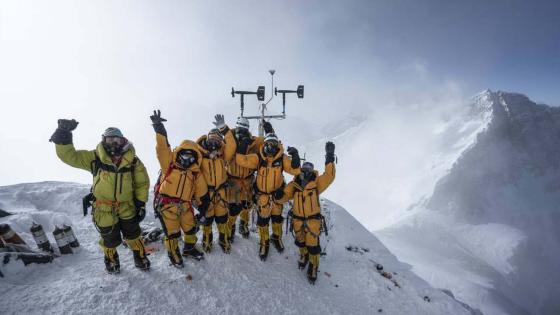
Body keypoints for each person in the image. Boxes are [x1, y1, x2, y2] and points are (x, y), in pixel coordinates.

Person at [50, 119, 150, 273]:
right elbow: (70, 156)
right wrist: (64, 133)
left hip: (127, 206)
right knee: (109, 239)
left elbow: (142, 183)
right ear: (104, 140)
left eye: (117, 139)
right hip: (103, 208)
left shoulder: (133, 161)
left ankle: (140, 257)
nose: (113, 142)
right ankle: (111, 260)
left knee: (134, 234)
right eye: (110, 139)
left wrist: (140, 203)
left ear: (123, 141)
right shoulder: (95, 158)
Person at [150, 110, 209, 267]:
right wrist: (159, 127)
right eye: (185, 155)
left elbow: (202, 193)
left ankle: (189, 248)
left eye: (192, 157)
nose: (188, 159)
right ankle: (173, 252)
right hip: (167, 205)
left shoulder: (195, 174)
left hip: (185, 206)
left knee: (190, 229)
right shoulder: (169, 164)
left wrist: (203, 210)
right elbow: (163, 148)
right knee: (173, 233)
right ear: (179, 153)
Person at [234, 121, 301, 260]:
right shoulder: (258, 158)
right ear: (264, 144)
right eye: (268, 144)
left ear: (278, 146)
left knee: (277, 219)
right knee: (262, 221)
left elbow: (295, 170)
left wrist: (295, 157)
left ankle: (276, 238)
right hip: (262, 196)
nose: (271, 147)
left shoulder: (281, 159)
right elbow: (241, 160)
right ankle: (264, 243)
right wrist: (243, 146)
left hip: (277, 196)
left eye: (274, 145)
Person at [276, 142, 336, 284]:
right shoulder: (294, 184)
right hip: (297, 219)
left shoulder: (316, 184)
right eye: (304, 168)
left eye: (309, 168)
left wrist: (329, 157)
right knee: (301, 242)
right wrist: (279, 195)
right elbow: (285, 196)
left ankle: (313, 266)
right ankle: (304, 257)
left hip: (312, 221)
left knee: (313, 246)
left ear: (312, 170)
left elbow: (329, 176)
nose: (306, 170)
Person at [195, 114, 235, 253]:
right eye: (212, 137)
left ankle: (223, 239)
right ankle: (207, 240)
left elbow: (232, 145)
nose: (215, 140)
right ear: (207, 138)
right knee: (207, 221)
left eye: (218, 138)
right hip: (205, 195)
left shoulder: (223, 155)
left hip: (221, 193)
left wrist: (224, 129)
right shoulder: (199, 155)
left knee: (222, 219)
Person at [222, 117, 264, 242]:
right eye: (240, 129)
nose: (241, 133)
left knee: (246, 205)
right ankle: (230, 228)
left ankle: (243, 225)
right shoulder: (228, 142)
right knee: (232, 207)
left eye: (244, 130)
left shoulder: (254, 143)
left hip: (247, 180)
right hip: (232, 180)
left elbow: (268, 144)